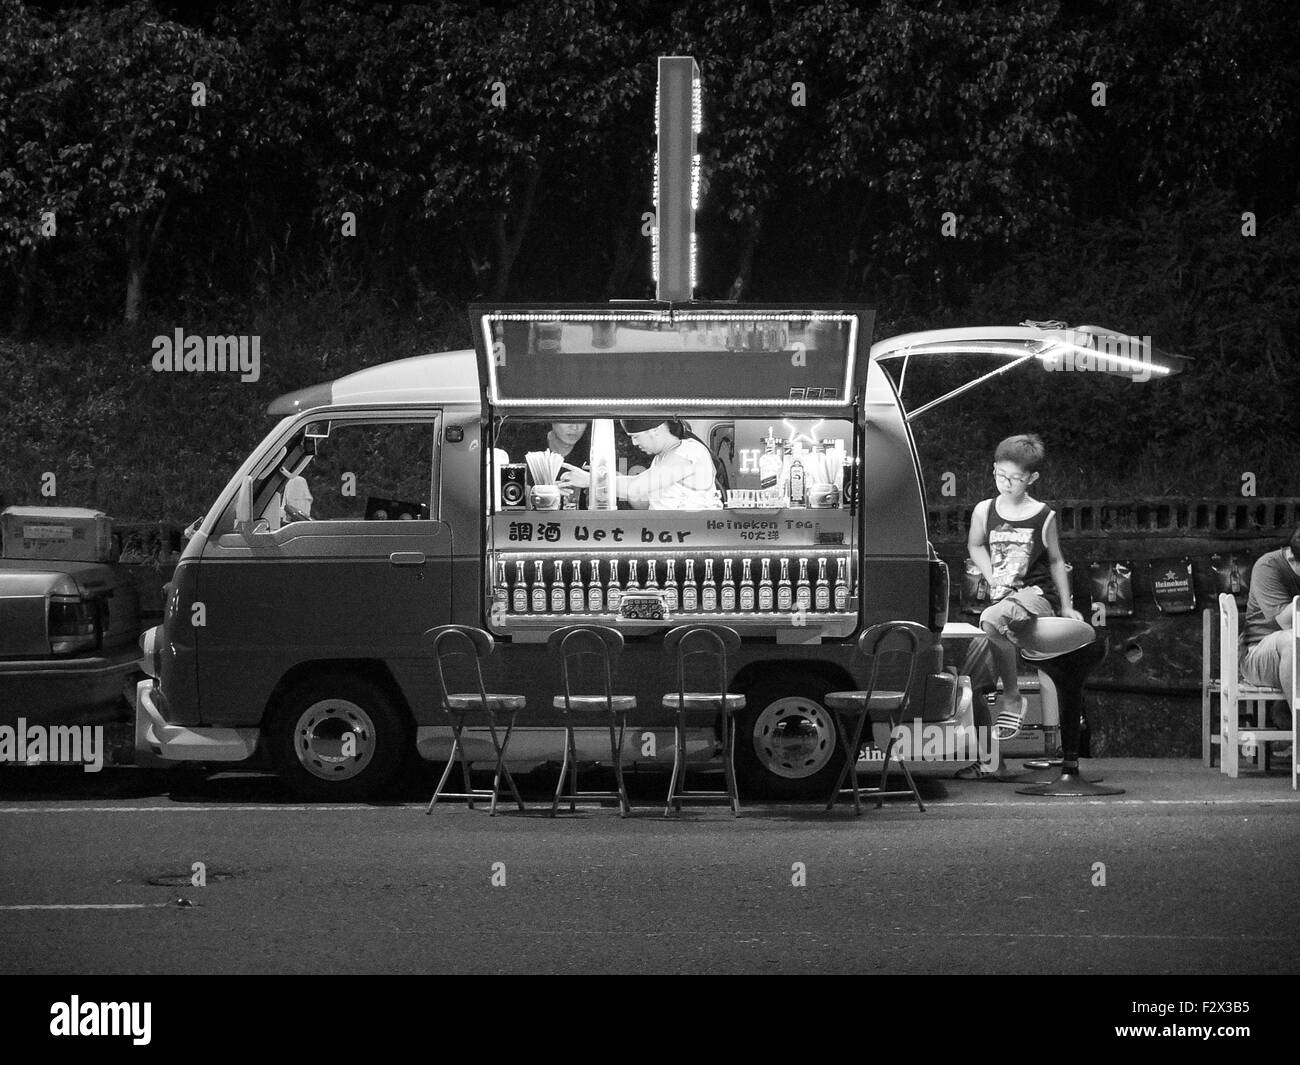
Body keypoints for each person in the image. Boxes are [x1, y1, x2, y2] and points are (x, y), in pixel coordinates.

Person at [956, 433, 1083, 779]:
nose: (1005, 483)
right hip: (1001, 602)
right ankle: (991, 762)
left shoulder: (1043, 515)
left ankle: (1013, 696)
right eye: (999, 474)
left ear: (1032, 479)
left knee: (992, 618)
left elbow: (1056, 561)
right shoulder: (984, 510)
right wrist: (992, 574)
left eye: (1014, 478)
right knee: (974, 679)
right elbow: (975, 545)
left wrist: (1067, 606)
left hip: (1035, 598)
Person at [560, 417, 722, 510]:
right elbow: (644, 503)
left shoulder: (689, 452)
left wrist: (591, 479)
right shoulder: (661, 458)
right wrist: (616, 480)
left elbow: (636, 487)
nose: (634, 443)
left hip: (693, 536)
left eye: (636, 436)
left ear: (655, 430)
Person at [1238, 526, 1300, 760]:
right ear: (1292, 557)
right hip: (1259, 654)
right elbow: (1287, 622)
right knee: (1293, 641)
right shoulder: (1268, 566)